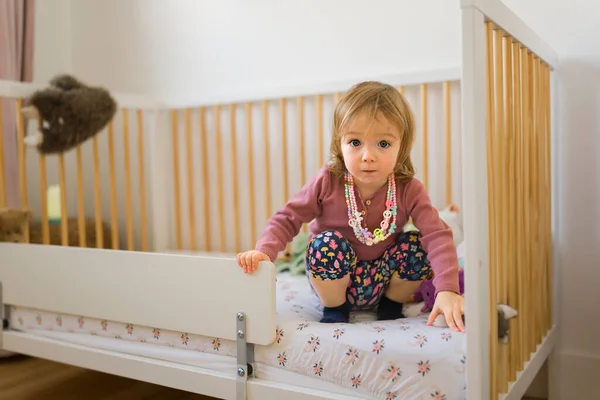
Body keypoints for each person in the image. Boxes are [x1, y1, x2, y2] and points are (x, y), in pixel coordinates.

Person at [237, 81, 465, 333]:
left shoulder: (408, 188)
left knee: (416, 246)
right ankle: (336, 309)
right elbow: (288, 217)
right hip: (335, 282)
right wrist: (265, 252)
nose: (368, 155)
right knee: (325, 244)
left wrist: (447, 289)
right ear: (340, 143)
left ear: (402, 147)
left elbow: (437, 235)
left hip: (383, 281)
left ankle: (391, 306)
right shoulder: (328, 180)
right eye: (355, 142)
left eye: (383, 144)